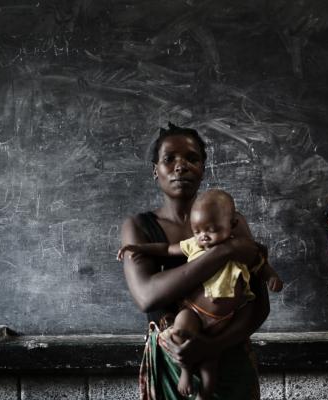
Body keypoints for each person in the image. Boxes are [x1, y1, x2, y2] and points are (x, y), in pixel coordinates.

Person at [121, 123, 270, 400]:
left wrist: (212, 346)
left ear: (203, 169)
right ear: (156, 170)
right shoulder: (139, 228)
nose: (181, 166)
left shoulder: (233, 224)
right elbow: (147, 296)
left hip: (230, 359)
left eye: (192, 158)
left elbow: (258, 304)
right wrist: (223, 252)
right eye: (169, 159)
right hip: (173, 364)